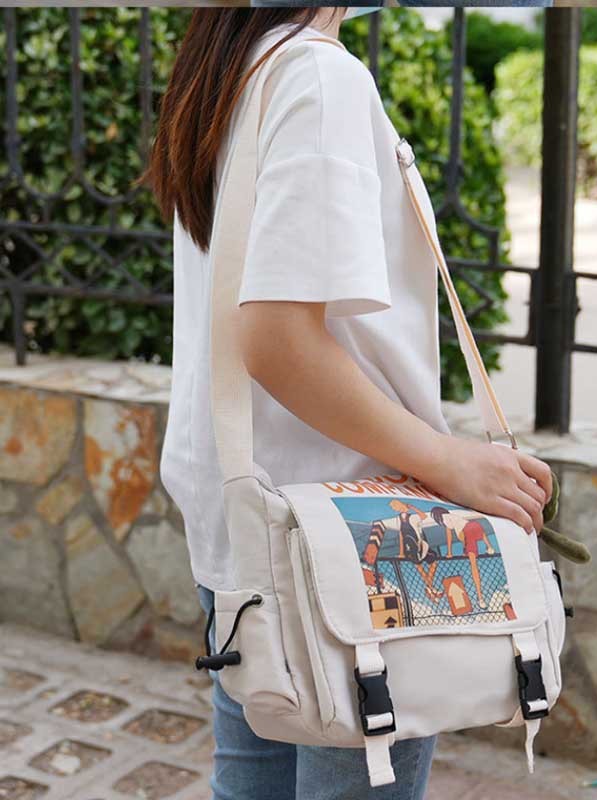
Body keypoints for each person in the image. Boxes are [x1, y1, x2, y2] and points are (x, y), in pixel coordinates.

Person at [145, 7, 552, 799]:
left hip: (255, 518)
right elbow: (277, 340)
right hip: (352, 537)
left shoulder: (237, 66)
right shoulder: (318, 76)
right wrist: (449, 461)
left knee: (251, 778)